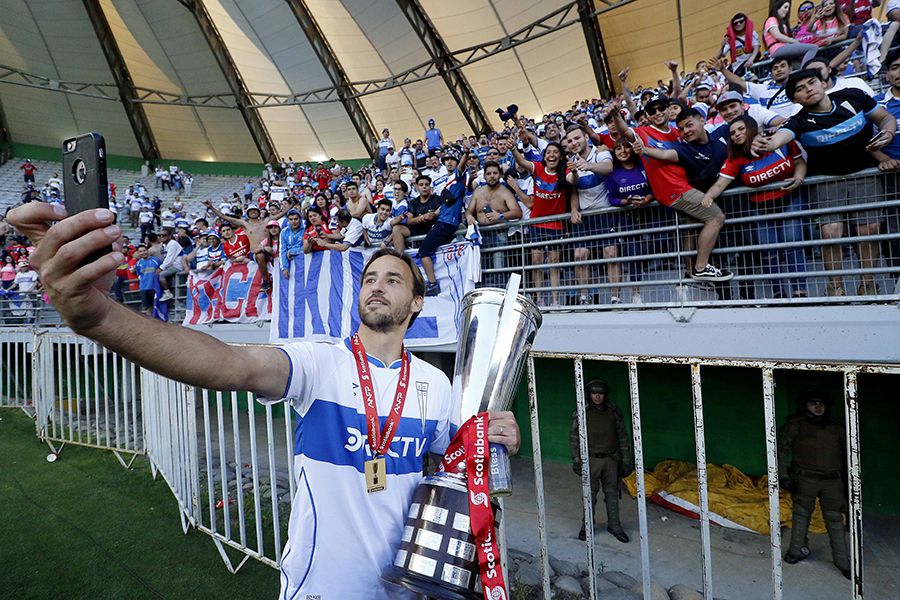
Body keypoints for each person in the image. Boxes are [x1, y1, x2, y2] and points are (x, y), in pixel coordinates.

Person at [6, 199, 522, 599]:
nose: (376, 287)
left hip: (409, 590)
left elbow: (462, 469)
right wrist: (99, 318)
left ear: (415, 301)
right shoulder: (320, 363)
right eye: (368, 278)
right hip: (321, 588)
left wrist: (500, 439)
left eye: (393, 280)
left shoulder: (436, 386)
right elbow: (230, 365)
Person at [753, 69, 896, 296]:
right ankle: (835, 288)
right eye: (800, 88)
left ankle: (867, 284)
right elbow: (782, 136)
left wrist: (888, 132)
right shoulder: (798, 121)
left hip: (864, 173)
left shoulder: (853, 96)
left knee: (868, 228)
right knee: (830, 232)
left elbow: (885, 118)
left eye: (812, 82)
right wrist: (767, 144)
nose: (809, 89)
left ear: (823, 83)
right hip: (825, 181)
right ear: (794, 99)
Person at [701, 115, 809, 299]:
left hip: (790, 199)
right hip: (761, 207)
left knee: (793, 242)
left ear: (752, 128)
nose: (736, 135)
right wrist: (707, 197)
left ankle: (800, 291)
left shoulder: (778, 141)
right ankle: (778, 292)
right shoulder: (735, 159)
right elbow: (720, 184)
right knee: (768, 248)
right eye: (732, 132)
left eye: (741, 129)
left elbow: (799, 163)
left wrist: (798, 178)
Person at [626, 107, 734, 283]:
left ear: (702, 120)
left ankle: (694, 272)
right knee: (716, 218)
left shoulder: (721, 134)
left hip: (711, 195)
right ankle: (699, 268)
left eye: (689, 125)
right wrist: (644, 150)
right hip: (684, 194)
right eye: (682, 129)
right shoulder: (684, 148)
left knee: (700, 227)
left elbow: (744, 127)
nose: (685, 132)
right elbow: (663, 153)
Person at [778, 391, 850, 579]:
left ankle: (842, 561)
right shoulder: (796, 426)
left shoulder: (837, 429)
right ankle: (796, 551)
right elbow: (782, 450)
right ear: (805, 406)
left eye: (822, 404)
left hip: (832, 481)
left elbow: (847, 456)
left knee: (834, 519)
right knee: (801, 515)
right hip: (805, 479)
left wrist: (849, 482)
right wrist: (783, 475)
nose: (818, 407)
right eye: (813, 403)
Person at [511, 131, 571, 306]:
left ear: (560, 157)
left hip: (556, 224)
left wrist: (574, 173)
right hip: (537, 223)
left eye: (555, 152)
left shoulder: (565, 172)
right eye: (548, 152)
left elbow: (572, 180)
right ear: (544, 156)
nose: (551, 155)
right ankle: (539, 300)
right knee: (536, 261)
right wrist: (514, 149)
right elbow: (522, 162)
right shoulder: (537, 168)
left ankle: (555, 300)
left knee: (554, 262)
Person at [570, 379, 633, 544]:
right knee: (589, 495)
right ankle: (587, 526)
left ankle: (615, 526)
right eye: (594, 393)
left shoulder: (613, 412)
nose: (597, 397)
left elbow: (622, 437)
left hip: (611, 459)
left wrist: (626, 460)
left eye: (601, 394)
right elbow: (575, 438)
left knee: (612, 493)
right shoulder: (582, 413)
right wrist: (576, 459)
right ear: (589, 394)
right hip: (590, 459)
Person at [605, 138, 655, 304]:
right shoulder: (613, 174)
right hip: (627, 219)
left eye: (626, 147)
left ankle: (637, 293)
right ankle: (628, 294)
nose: (623, 151)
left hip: (649, 216)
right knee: (631, 255)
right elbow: (612, 199)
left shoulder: (643, 167)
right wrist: (628, 201)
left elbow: (653, 188)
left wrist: (647, 199)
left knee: (639, 255)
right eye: (618, 148)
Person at [417, 146, 471, 296]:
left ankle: (433, 284)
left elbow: (461, 166)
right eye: (446, 160)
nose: (449, 162)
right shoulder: (448, 180)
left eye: (452, 160)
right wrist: (433, 214)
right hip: (444, 221)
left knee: (423, 251)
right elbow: (446, 205)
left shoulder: (458, 176)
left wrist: (465, 153)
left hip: (447, 223)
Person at [464, 161, 523, 285]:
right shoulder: (478, 192)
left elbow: (517, 212)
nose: (492, 176)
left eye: (495, 173)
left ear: (500, 175)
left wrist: (500, 215)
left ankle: (498, 300)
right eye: (489, 173)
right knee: (480, 270)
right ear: (484, 176)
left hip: (499, 234)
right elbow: (469, 210)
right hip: (480, 236)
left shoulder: (505, 192)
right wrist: (469, 216)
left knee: (498, 269)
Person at [764, 0, 820, 67]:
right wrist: (795, 41)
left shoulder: (782, 23)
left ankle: (802, 72)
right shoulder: (771, 19)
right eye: (785, 7)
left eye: (788, 8)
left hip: (782, 48)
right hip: (778, 48)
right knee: (813, 48)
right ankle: (805, 71)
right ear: (778, 7)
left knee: (798, 65)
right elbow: (777, 35)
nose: (787, 10)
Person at [394, 175, 440, 252]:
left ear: (430, 187)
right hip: (416, 231)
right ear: (418, 187)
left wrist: (434, 214)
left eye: (426, 184)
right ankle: (401, 258)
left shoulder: (437, 199)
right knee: (397, 229)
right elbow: (409, 221)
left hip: (433, 230)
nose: (424, 187)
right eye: (421, 185)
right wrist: (421, 218)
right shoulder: (413, 203)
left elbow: (443, 208)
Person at [131, 244, 162, 317]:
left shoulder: (156, 260)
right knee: (147, 308)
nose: (143, 252)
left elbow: (162, 269)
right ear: (138, 253)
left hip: (154, 287)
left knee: (156, 306)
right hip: (143, 288)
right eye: (140, 251)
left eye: (144, 250)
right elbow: (138, 274)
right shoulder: (138, 263)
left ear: (147, 251)